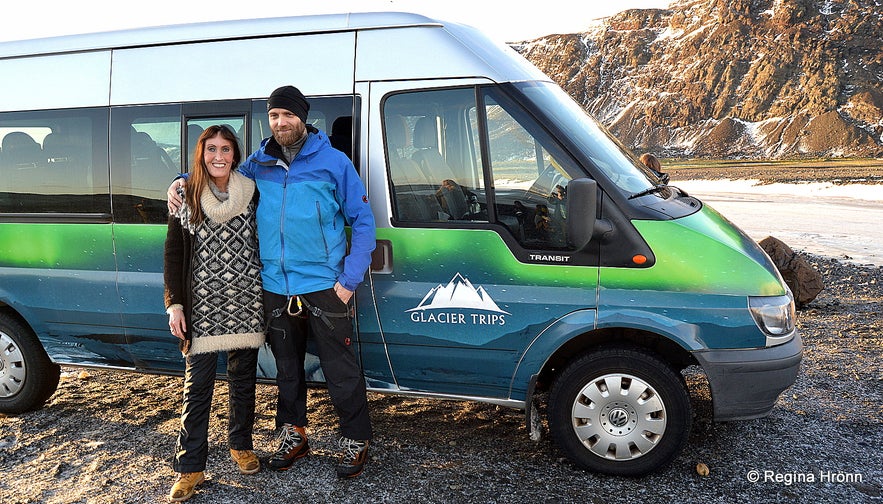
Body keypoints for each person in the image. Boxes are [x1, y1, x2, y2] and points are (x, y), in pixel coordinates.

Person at [168, 85, 376, 479]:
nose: (281, 123)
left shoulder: (334, 163)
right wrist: (180, 181)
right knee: (287, 368)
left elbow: (363, 222)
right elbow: (216, 174)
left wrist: (348, 280)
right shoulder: (258, 164)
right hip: (275, 285)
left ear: (303, 118)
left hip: (324, 283)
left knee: (340, 367)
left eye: (288, 115)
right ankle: (293, 434)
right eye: (274, 116)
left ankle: (355, 439)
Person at [163, 125, 265, 502]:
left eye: (225, 149)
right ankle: (191, 468)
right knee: (197, 389)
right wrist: (174, 303)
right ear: (201, 154)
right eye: (211, 150)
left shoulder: (252, 193)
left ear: (235, 154)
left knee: (243, 382)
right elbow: (174, 254)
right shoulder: (184, 195)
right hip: (201, 308)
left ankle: (241, 445)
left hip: (246, 302)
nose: (218, 156)